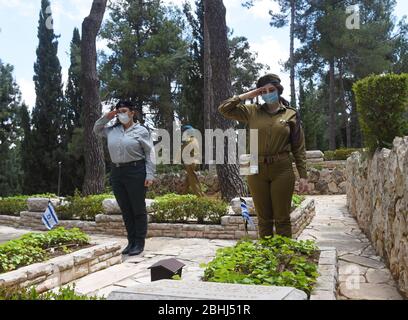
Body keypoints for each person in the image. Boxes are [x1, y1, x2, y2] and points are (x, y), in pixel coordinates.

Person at [218, 73, 309, 238]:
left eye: (271, 89)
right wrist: (248, 95)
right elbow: (224, 108)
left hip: (282, 168)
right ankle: (268, 257)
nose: (268, 93)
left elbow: (298, 147)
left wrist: (303, 175)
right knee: (263, 219)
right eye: (264, 91)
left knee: (282, 218)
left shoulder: (291, 114)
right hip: (254, 167)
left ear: (278, 90)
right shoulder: (251, 111)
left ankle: (284, 256)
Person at [93, 100, 155, 255]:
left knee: (138, 209)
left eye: (124, 111)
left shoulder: (142, 131)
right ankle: (131, 242)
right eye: (119, 111)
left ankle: (139, 243)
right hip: (117, 172)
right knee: (126, 209)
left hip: (136, 171)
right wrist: (108, 116)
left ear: (132, 113)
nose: (121, 114)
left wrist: (150, 174)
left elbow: (149, 153)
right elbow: (96, 128)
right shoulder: (112, 130)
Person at [181, 125, 205, 197]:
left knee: (193, 180)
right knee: (189, 178)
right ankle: (184, 194)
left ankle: (199, 196)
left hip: (190, 161)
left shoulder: (189, 140)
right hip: (194, 161)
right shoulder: (194, 139)